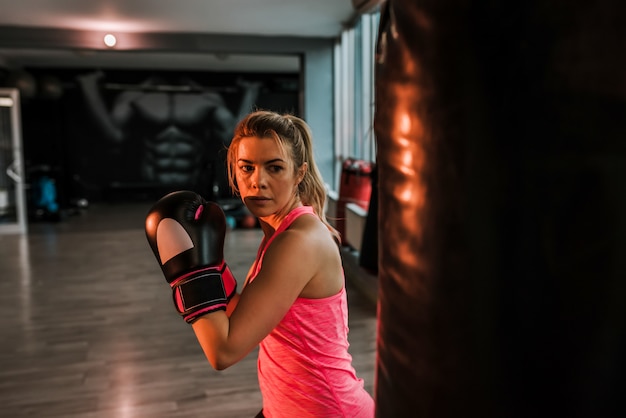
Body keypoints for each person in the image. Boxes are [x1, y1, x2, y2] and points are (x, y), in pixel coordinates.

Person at [145, 110, 375, 417]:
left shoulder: (298, 242)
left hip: (327, 410)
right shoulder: (280, 233)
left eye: (274, 168)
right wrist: (213, 266)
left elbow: (223, 351)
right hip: (286, 406)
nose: (258, 181)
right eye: (247, 167)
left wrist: (192, 274)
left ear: (299, 173)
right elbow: (240, 314)